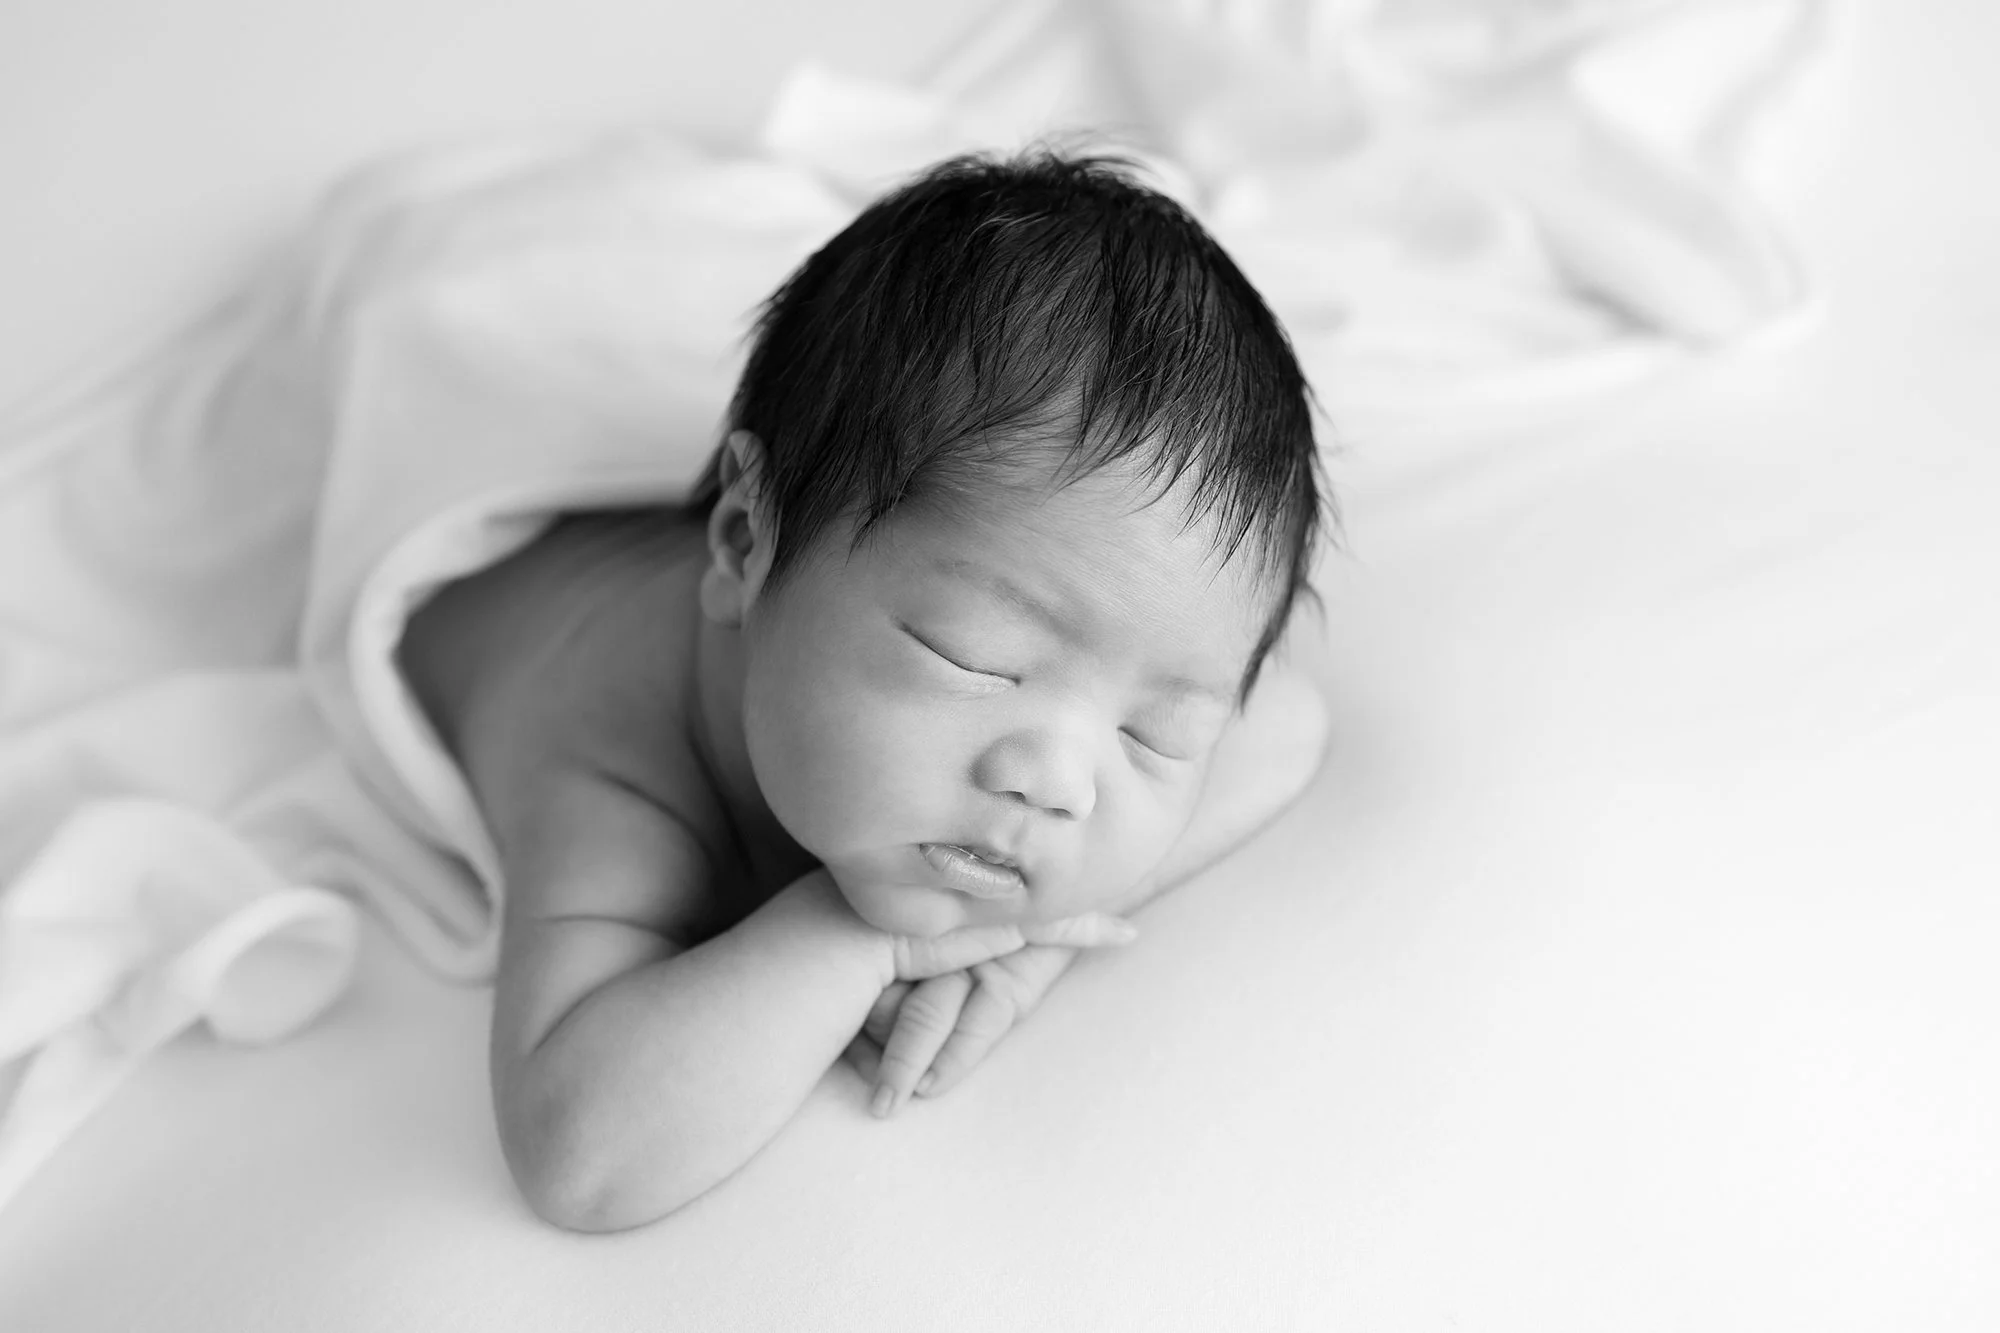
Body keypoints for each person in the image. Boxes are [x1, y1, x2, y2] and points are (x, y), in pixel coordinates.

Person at [396, 149, 1334, 1232]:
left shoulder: (958, 652)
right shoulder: (613, 761)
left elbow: (1289, 721)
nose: (1057, 783)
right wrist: (864, 936)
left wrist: (1018, 953)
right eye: (974, 657)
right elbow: (582, 1153)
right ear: (745, 538)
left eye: (1152, 732)